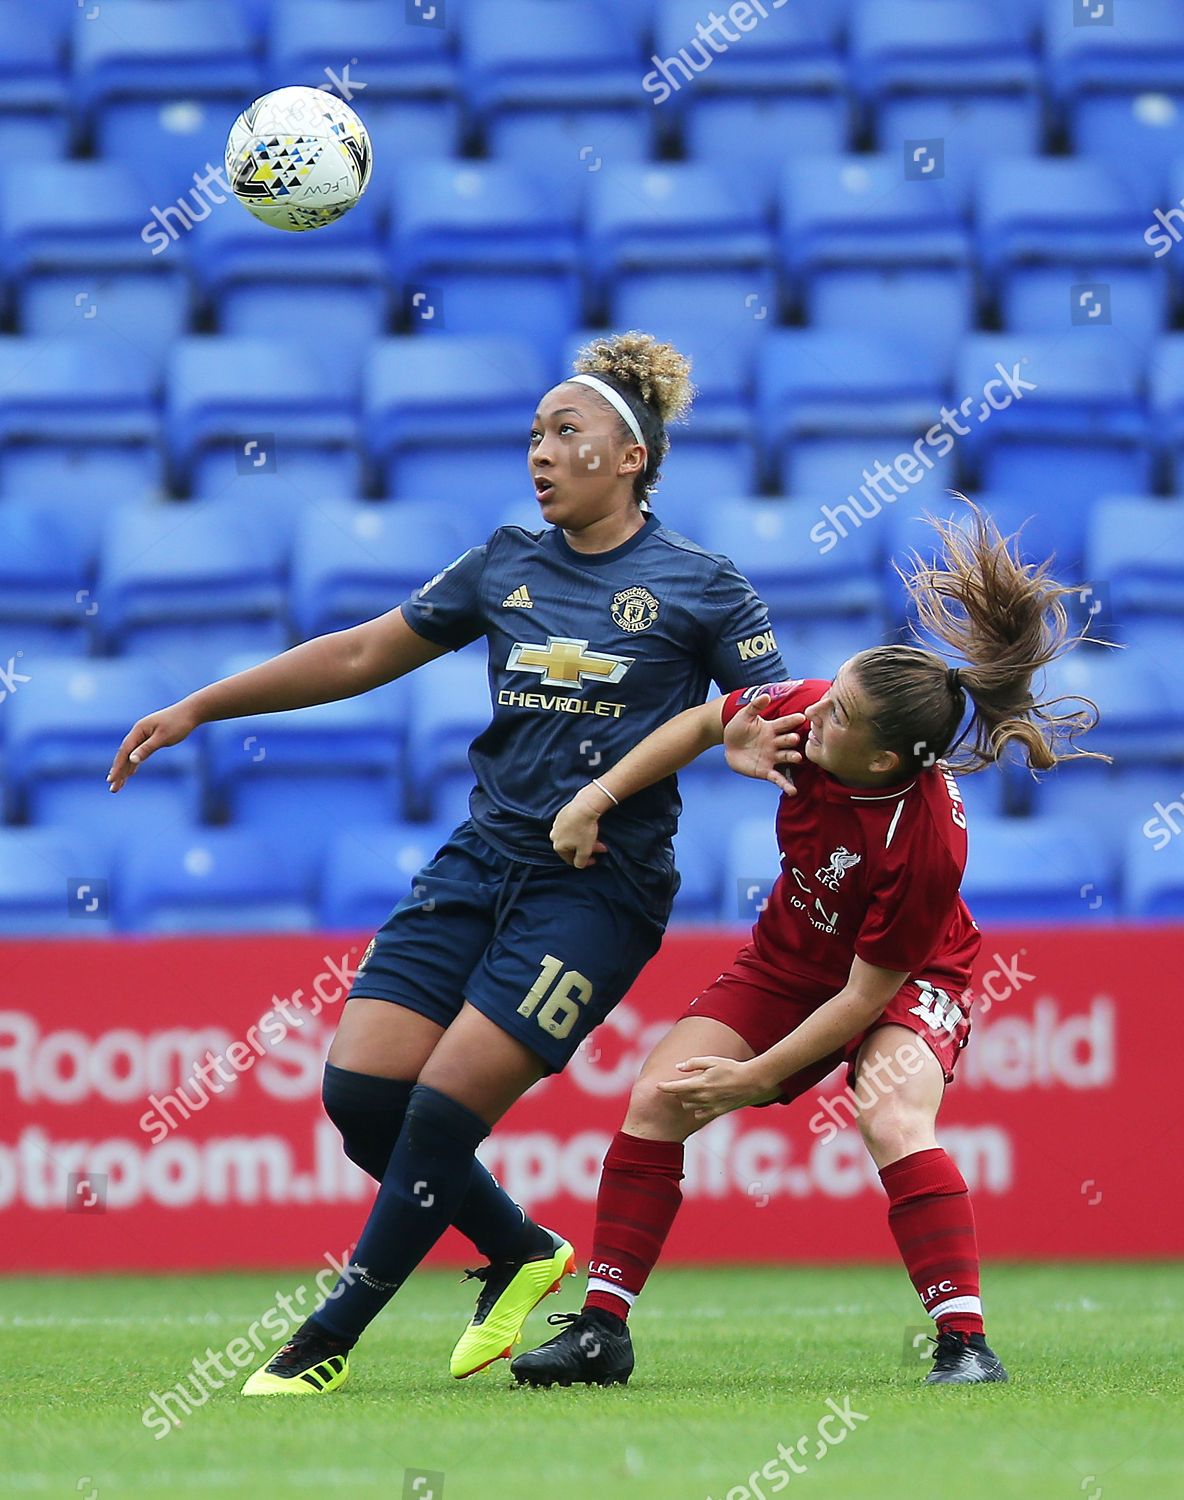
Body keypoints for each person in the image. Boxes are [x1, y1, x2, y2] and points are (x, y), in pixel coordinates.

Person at [107, 332, 789, 1391]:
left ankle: (324, 1341)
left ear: (630, 457)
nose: (540, 451)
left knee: (439, 1108)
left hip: (597, 890)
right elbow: (360, 651)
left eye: (565, 432)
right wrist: (202, 704)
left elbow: (776, 712)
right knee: (360, 1097)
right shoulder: (505, 564)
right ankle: (520, 1249)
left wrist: (750, 731)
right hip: (479, 861)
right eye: (534, 434)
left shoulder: (702, 586)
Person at [511, 502, 1104, 1389]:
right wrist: (599, 797)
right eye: (828, 693)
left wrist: (756, 1079)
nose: (813, 708)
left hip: (909, 978)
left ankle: (964, 1345)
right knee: (658, 1096)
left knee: (890, 1114)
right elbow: (705, 721)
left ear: (886, 761)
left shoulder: (925, 840)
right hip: (789, 958)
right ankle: (602, 1333)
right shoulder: (812, 715)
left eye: (839, 714)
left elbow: (864, 998)